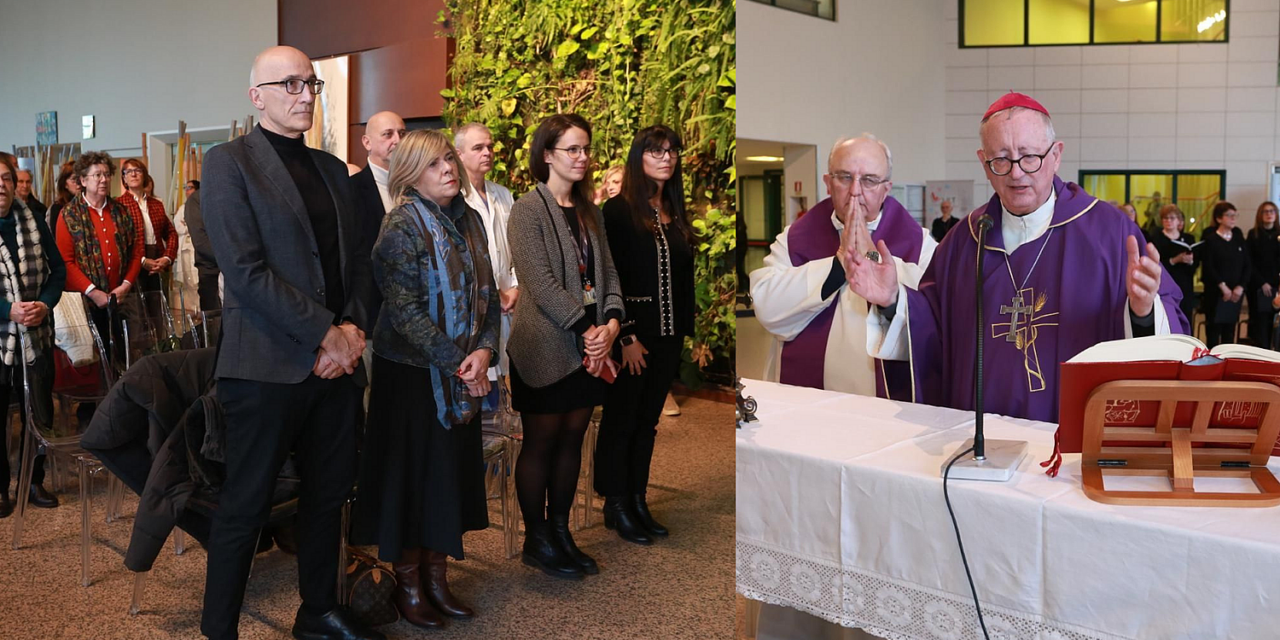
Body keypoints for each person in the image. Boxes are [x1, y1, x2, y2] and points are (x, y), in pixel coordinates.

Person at [846, 92, 1186, 425]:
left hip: (1074, 442)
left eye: (1029, 156)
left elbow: (1164, 334)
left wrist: (1142, 312)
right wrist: (893, 300)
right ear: (984, 163)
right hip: (980, 436)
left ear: (1056, 155)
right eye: (1001, 159)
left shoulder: (1110, 234)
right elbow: (933, 330)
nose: (1016, 173)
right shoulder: (965, 239)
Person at [199, 45, 379, 640]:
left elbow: (358, 266)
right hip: (265, 369)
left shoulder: (334, 170)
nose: (305, 95)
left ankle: (318, 610)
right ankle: (219, 628)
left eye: (311, 84)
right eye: (290, 85)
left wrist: (351, 333)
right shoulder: (229, 162)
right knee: (247, 506)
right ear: (258, 96)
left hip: (334, 367)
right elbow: (246, 272)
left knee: (329, 496)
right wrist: (325, 333)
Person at [352, 129, 497, 628]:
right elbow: (406, 313)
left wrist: (485, 350)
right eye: (436, 164)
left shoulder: (472, 220)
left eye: (450, 161)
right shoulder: (400, 227)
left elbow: (489, 296)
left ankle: (438, 577)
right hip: (411, 380)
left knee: (447, 481)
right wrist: (463, 364)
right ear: (412, 173)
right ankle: (409, 584)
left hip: (462, 370)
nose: (450, 170)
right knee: (411, 483)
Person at [508, 113, 623, 579]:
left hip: (588, 349)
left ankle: (561, 529)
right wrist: (589, 330)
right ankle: (536, 538)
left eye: (585, 148)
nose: (582, 157)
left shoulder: (589, 209)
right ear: (548, 155)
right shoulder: (527, 209)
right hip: (543, 348)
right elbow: (540, 282)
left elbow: (609, 274)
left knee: (573, 441)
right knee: (540, 442)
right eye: (572, 149)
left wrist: (611, 323)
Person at [749, 135, 936, 397]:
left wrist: (872, 261)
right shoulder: (793, 240)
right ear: (828, 183)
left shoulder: (921, 244)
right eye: (845, 177)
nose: (855, 190)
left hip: (887, 407)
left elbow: (934, 317)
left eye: (869, 180)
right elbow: (767, 306)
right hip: (808, 402)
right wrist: (838, 264)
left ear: (886, 188)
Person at [595, 125, 695, 544]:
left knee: (647, 423)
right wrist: (627, 336)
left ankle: (637, 497)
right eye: (656, 151)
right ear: (639, 157)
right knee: (622, 419)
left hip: (669, 335)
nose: (666, 158)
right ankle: (615, 503)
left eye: (671, 151)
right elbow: (610, 274)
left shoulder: (674, 211)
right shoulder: (618, 211)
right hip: (633, 334)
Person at [0, 156, 66, 516]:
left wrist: (44, 304)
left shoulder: (34, 222)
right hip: (1, 339)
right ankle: (0, 487)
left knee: (39, 413)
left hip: (37, 333)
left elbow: (58, 271)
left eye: (7, 178)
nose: (1, 185)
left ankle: (34, 481)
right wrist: (5, 310)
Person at [56, 152, 143, 367]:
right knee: (96, 363)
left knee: (127, 358)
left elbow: (136, 252)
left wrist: (125, 285)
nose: (103, 179)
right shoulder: (69, 214)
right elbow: (65, 262)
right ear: (83, 180)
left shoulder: (121, 211)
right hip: (86, 302)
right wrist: (93, 292)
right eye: (97, 175)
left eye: (106, 174)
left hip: (122, 299)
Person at [456, 122, 518, 395]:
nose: (487, 153)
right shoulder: (454, 197)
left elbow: (517, 248)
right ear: (459, 154)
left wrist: (515, 286)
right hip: (474, 307)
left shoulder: (503, 194)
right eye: (478, 147)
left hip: (509, 301)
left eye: (490, 147)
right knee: (480, 385)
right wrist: (492, 294)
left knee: (506, 382)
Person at [351, 110, 406, 329]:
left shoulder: (421, 188)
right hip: (374, 319)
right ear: (367, 142)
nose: (398, 140)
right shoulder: (350, 190)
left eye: (402, 133)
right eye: (388, 134)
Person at [117, 159, 178, 306]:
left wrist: (167, 258)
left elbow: (171, 233)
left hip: (157, 260)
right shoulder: (119, 205)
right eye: (129, 172)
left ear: (144, 175)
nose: (134, 174)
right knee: (137, 312)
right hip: (132, 263)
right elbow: (119, 242)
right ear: (124, 178)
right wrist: (142, 261)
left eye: (137, 171)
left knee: (158, 310)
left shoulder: (156, 204)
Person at [1199, 202, 1249, 348]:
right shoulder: (1211, 240)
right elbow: (1208, 267)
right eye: (1229, 215)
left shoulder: (1238, 238)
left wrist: (1241, 286)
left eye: (1235, 215)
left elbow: (1247, 264)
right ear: (1219, 218)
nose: (1233, 218)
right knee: (1213, 332)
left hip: (1236, 293)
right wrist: (1223, 286)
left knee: (1230, 332)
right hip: (1216, 293)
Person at [1149, 204, 1197, 324]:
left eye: (1172, 218)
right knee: (1167, 318)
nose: (1168, 221)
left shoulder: (1188, 239)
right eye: (1165, 218)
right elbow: (1155, 263)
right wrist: (1174, 260)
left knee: (1186, 317)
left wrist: (1190, 261)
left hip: (1185, 284)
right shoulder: (1157, 238)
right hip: (1166, 283)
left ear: (1179, 221)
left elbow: (1195, 266)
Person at [1247, 201, 1279, 349]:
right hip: (1259, 285)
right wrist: (1262, 282)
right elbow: (1249, 262)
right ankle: (1263, 352)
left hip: (1277, 284)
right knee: (1261, 322)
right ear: (1260, 215)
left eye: (1272, 211)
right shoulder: (1253, 235)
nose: (1269, 214)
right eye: (1265, 211)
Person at [47, 163, 80, 232]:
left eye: (80, 178)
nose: (78, 183)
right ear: (65, 184)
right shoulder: (58, 208)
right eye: (74, 179)